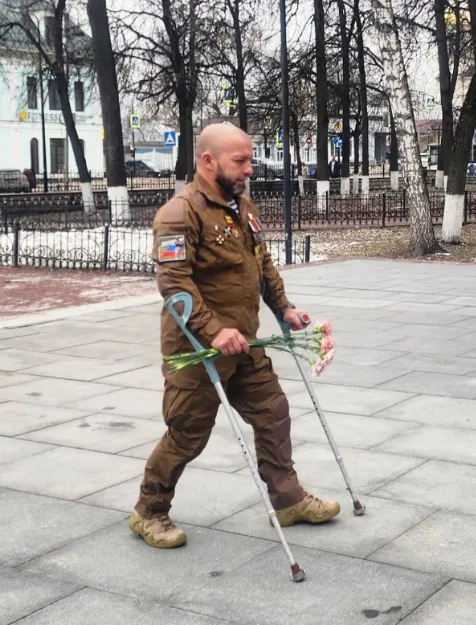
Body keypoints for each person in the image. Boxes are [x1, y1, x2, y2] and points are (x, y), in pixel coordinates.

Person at [129, 122, 340, 549]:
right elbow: (174, 284)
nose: (249, 169)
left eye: (249, 159)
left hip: (245, 344)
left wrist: (284, 309)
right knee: (188, 433)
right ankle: (149, 511)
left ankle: (288, 500)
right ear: (209, 161)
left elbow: (261, 265)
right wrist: (213, 331)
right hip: (197, 349)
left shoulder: (241, 207)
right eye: (240, 161)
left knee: (273, 412)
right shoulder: (179, 212)